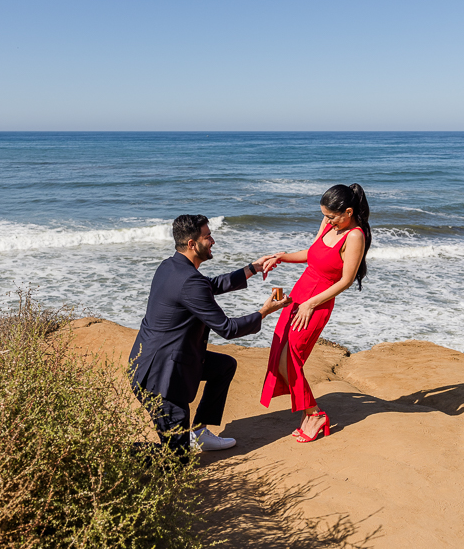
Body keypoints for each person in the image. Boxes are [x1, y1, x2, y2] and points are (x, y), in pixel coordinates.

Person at [130, 214, 290, 456]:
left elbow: (209, 285)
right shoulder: (190, 282)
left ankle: (199, 432)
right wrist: (264, 311)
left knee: (223, 366)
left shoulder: (170, 266)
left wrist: (252, 269)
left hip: (162, 361)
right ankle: (112, 455)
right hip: (161, 379)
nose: (213, 241)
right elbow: (228, 329)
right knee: (177, 459)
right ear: (193, 244)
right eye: (208, 237)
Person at [259, 184, 372, 442]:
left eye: (332, 217)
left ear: (349, 212)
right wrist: (282, 257)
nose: (328, 222)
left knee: (291, 360)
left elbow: (345, 280)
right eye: (325, 216)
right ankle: (310, 413)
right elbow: (311, 254)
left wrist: (310, 304)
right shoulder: (329, 224)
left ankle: (314, 414)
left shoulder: (354, 236)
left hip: (317, 303)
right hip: (300, 293)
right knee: (279, 356)